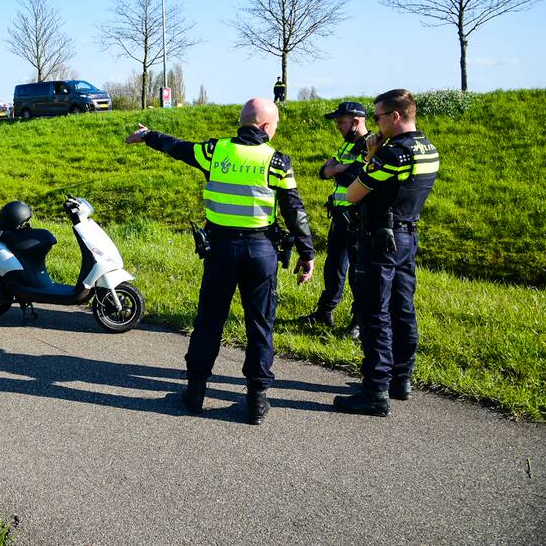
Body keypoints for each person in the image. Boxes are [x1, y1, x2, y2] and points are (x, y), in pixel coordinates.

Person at [125, 98, 315, 424]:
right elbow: (294, 211)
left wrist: (147, 135)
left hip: (221, 250)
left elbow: (178, 148)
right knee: (260, 326)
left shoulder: (215, 152)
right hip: (260, 252)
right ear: (266, 126)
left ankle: (195, 393)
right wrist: (307, 252)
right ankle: (256, 402)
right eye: (275, 125)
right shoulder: (277, 162)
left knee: (209, 322)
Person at [333, 89, 439, 416]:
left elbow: (353, 194)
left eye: (378, 117)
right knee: (403, 308)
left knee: (374, 313)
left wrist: (371, 155)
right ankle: (400, 379)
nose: (376, 124)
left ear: (395, 116)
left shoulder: (392, 154)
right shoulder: (428, 148)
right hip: (407, 236)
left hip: (379, 240)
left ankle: (375, 391)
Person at [300, 101, 373, 336]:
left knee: (357, 272)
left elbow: (352, 177)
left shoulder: (371, 145)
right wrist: (336, 169)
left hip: (357, 218)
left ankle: (359, 321)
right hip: (339, 216)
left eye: (341, 122)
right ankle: (325, 312)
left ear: (356, 122)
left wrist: (337, 169)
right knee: (333, 267)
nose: (338, 126)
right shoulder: (347, 145)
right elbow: (323, 172)